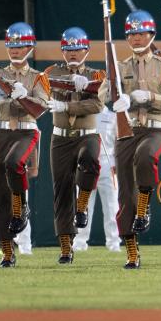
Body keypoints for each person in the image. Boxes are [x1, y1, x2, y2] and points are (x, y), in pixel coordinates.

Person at [111, 10, 161, 270]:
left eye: (141, 33)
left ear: (152, 35)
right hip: (128, 130)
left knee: (146, 157)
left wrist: (150, 98)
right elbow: (106, 90)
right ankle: (132, 251)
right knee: (124, 194)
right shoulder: (119, 67)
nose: (137, 38)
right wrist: (114, 96)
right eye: (132, 33)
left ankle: (144, 207)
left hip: (155, 129)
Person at [44, 26, 108, 264]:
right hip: (60, 137)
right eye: (68, 49)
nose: (73, 53)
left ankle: (82, 205)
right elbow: (41, 95)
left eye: (78, 49)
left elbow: (97, 105)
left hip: (87, 133)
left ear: (87, 50)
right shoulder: (51, 72)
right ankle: (65, 247)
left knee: (91, 160)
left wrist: (69, 105)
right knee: (61, 190)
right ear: (63, 50)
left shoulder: (97, 75)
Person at [0, 22, 48, 268]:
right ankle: (7, 251)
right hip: (3, 133)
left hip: (26, 132)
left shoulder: (38, 77)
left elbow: (42, 107)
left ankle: (22, 206)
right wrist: (4, 92)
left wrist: (23, 94)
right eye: (11, 45)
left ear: (29, 46)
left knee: (14, 163)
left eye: (20, 45)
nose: (15, 50)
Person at [73, 106, 121, 253]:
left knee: (112, 207)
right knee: (83, 205)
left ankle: (114, 243)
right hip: (86, 164)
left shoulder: (113, 116)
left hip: (108, 165)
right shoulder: (83, 115)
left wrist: (116, 164)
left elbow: (118, 141)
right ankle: (79, 242)